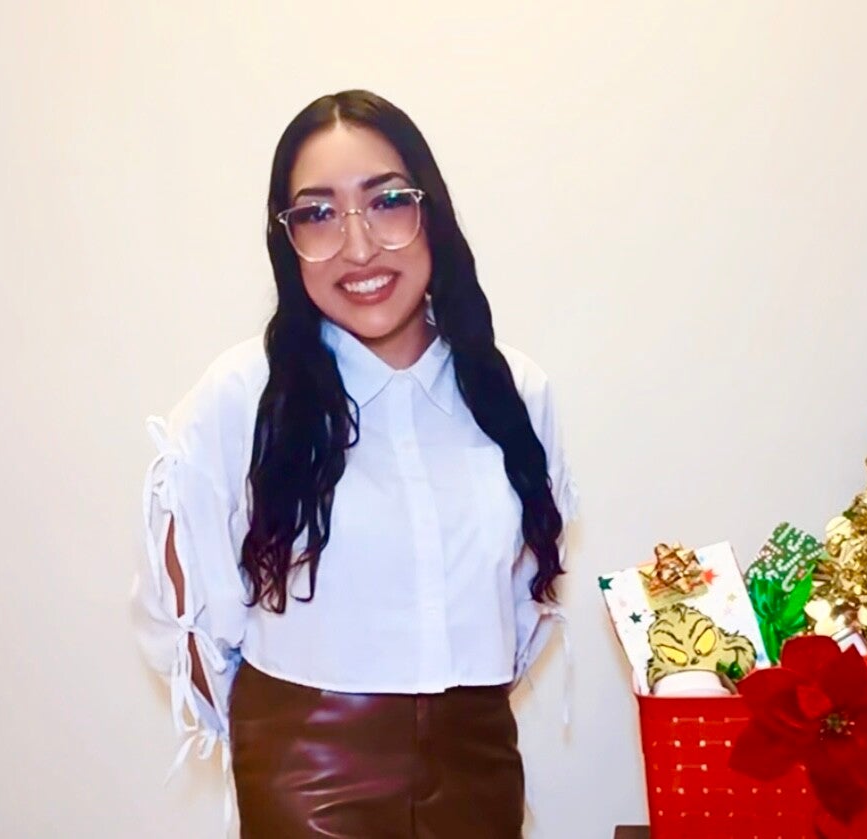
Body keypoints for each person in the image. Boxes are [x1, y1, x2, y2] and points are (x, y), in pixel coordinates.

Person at [131, 89, 578, 839]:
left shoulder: (516, 391)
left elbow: (523, 601)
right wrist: (276, 741)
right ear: (286, 238)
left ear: (431, 211)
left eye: (387, 202)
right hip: (307, 773)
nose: (359, 247)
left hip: (479, 766)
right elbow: (186, 619)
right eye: (317, 214)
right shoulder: (243, 395)